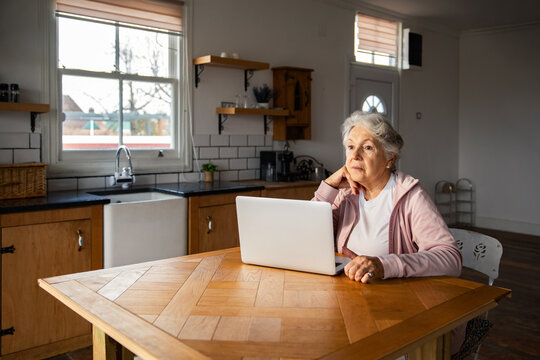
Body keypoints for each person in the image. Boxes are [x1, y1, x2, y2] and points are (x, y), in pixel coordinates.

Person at [312, 111, 464, 353]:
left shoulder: (410, 196)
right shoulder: (346, 193)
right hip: (351, 309)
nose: (355, 156)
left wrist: (385, 265)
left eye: (368, 148)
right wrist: (328, 187)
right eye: (350, 147)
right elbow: (308, 239)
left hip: (403, 315)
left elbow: (450, 257)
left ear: (389, 159)